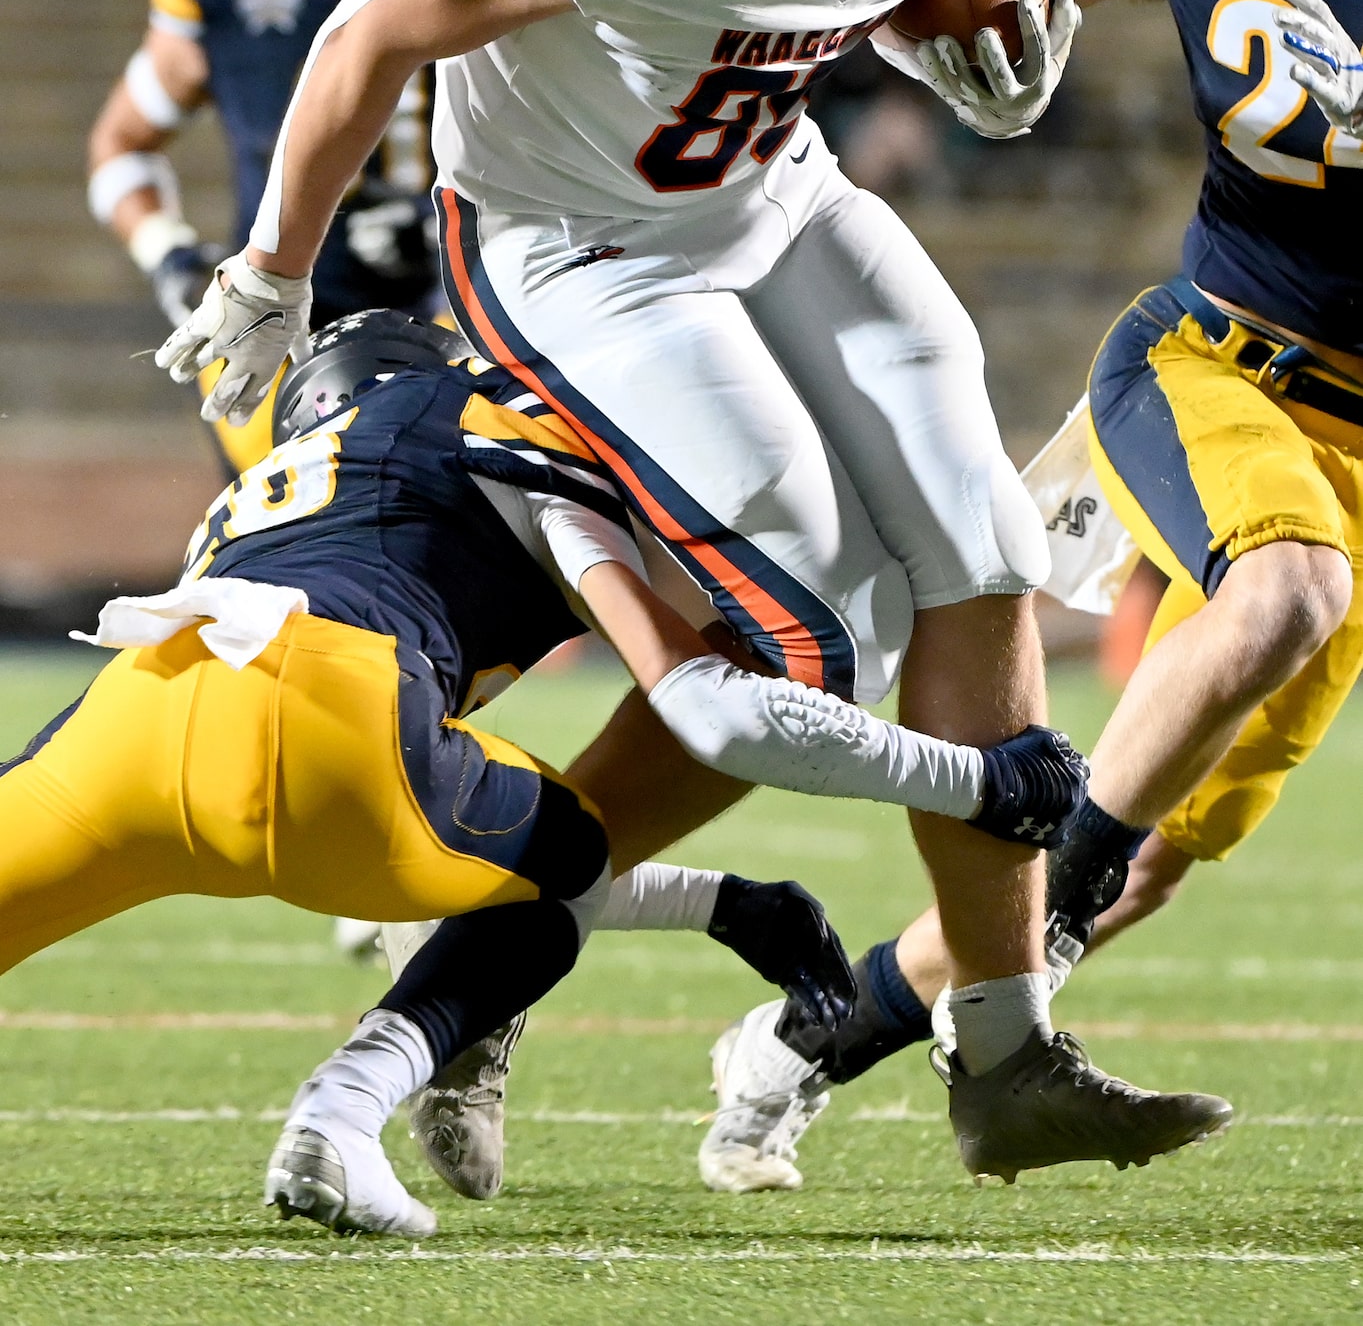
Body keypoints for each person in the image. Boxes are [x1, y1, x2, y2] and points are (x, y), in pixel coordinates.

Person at [152, 0, 1225, 1182]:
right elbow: (374, 31)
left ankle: (1002, 1052)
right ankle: (475, 976)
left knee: (982, 546)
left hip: (765, 177)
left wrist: (984, 7)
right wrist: (268, 272)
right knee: (810, 634)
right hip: (576, 242)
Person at [697, 0, 1363, 1192]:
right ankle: (1040, 928)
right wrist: (920, 3)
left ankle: (797, 1041)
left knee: (1137, 867)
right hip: (1220, 365)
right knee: (1284, 597)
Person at [2, 310, 1088, 1234]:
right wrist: (975, 783)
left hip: (131, 712)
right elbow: (698, 706)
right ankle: (340, 1112)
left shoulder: (255, 493)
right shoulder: (490, 427)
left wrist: (724, 909)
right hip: (331, 717)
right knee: (568, 848)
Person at [86, 0, 451, 475]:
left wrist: (440, 224)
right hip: (272, 318)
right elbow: (123, 144)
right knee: (269, 535)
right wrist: (172, 259)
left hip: (448, 311)